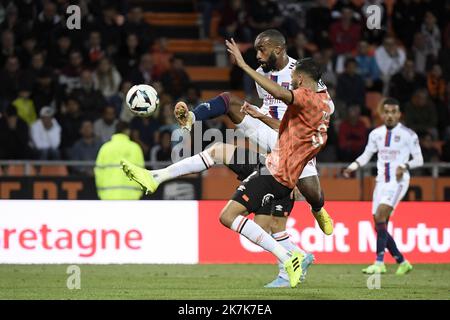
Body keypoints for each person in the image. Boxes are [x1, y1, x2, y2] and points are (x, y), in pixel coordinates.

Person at [123, 52, 332, 288]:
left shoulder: (305, 97)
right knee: (266, 223)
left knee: (230, 214)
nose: (291, 83)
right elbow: (289, 128)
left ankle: (290, 258)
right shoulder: (323, 110)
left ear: (302, 81)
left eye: (294, 80)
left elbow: (280, 94)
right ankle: (294, 259)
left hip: (275, 170)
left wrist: (243, 65)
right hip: (280, 168)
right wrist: (260, 115)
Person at [343, 98, 423, 275]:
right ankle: (402, 261)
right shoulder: (376, 134)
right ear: (382, 114)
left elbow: (419, 159)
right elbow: (366, 155)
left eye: (394, 112)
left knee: (380, 216)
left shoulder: (409, 135)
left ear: (399, 114)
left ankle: (379, 263)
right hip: (381, 182)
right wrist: (352, 167)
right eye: (386, 112)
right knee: (379, 224)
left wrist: (405, 166)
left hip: (398, 181)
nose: (390, 115)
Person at [95, 122, 144, 200]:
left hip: (108, 196)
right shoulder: (135, 148)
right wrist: (138, 194)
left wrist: (101, 193)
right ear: (127, 131)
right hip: (131, 197)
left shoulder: (105, 148)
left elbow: (98, 173)